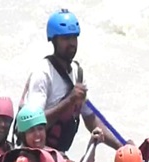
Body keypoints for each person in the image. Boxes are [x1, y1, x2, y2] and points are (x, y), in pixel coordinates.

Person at [17, 8, 124, 153]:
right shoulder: (43, 73)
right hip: (35, 154)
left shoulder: (78, 74)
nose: (72, 43)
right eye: (66, 39)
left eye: (74, 37)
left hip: (58, 154)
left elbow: (91, 118)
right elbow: (32, 125)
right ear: (54, 41)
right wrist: (69, 101)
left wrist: (122, 147)